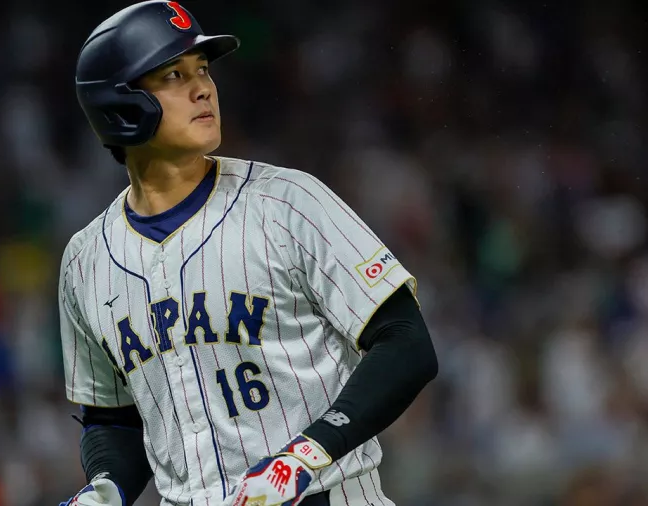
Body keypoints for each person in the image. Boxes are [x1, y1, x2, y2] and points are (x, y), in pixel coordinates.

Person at [59, 2, 439, 506]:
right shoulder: (86, 262)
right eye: (174, 74)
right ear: (120, 106)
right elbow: (113, 416)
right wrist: (105, 487)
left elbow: (406, 343)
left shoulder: (288, 204)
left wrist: (306, 455)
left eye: (203, 70)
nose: (204, 88)